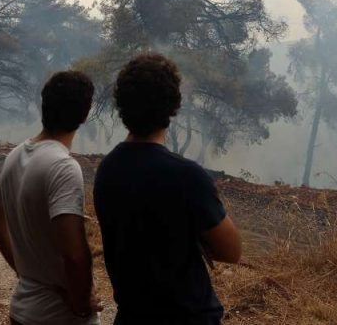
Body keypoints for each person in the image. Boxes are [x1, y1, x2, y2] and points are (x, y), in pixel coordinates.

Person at [93, 53, 242, 325]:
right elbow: (232, 251)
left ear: (122, 105)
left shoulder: (107, 170)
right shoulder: (187, 177)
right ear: (173, 106)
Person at [0, 71, 102, 325]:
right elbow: (74, 253)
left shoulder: (15, 156)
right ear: (84, 116)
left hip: (23, 309)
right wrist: (81, 304)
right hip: (59, 316)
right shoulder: (63, 166)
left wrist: (22, 271)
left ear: (45, 105)